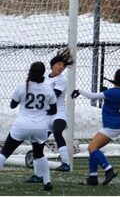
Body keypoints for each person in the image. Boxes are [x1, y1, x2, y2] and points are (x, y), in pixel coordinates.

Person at [0, 62, 57, 191]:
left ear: (29, 72)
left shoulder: (22, 87)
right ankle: (47, 182)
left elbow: (12, 105)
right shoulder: (48, 89)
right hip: (40, 127)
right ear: (43, 73)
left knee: (5, 152)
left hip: (22, 125)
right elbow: (53, 110)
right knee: (39, 154)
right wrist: (42, 112)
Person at [70, 68, 120, 186]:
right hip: (115, 124)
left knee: (92, 148)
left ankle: (109, 170)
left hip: (111, 126)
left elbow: (93, 96)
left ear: (116, 78)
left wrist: (79, 91)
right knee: (94, 148)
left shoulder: (112, 93)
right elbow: (116, 88)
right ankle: (93, 177)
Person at [24, 48, 74, 184]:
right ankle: (38, 175)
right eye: (59, 64)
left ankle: (66, 163)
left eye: (63, 66)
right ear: (52, 65)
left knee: (57, 132)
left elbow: (53, 96)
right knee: (37, 144)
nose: (61, 67)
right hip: (45, 116)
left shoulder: (62, 80)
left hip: (59, 113)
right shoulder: (44, 77)